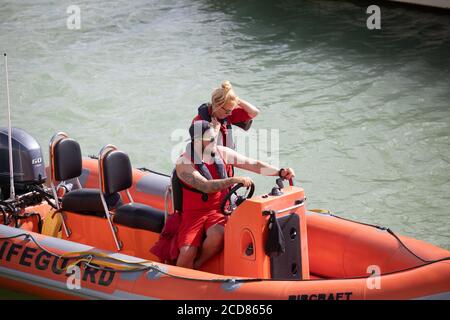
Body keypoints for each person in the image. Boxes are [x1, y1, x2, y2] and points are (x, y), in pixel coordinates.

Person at [174, 120, 295, 269]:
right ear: (197, 141)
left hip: (218, 210)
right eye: (210, 139)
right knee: (186, 252)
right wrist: (233, 180)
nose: (215, 142)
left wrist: (279, 172)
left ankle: (198, 265)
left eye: (214, 138)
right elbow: (205, 186)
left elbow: (252, 164)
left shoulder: (221, 152)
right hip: (194, 214)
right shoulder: (183, 162)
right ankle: (181, 274)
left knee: (218, 234)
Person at [193, 80, 260, 150]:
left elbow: (254, 112)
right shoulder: (199, 121)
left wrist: (237, 100)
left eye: (231, 110)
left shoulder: (227, 115)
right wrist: (215, 130)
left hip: (230, 157)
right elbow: (199, 151)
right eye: (228, 111)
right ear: (217, 105)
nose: (230, 114)